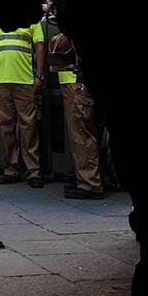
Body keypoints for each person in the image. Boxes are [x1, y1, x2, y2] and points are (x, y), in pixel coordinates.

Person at [0, 17, 46, 187]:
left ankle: (33, 171)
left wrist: (39, 74)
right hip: (0, 80)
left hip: (24, 79)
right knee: (5, 126)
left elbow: (40, 46)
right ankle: (11, 169)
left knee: (28, 126)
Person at [50, 33, 104, 199]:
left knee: (81, 134)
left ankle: (90, 183)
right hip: (77, 82)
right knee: (86, 131)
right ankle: (89, 179)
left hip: (77, 83)